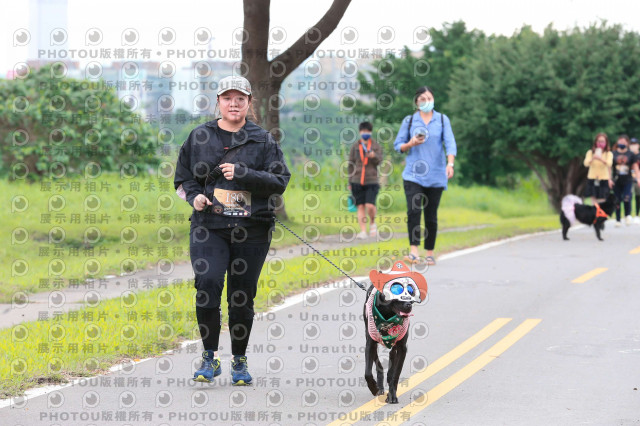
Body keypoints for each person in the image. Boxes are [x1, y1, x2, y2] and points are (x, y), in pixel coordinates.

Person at [174, 75, 291, 385]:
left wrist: (245, 173)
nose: (234, 104)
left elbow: (280, 181)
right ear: (218, 102)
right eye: (228, 98)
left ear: (249, 103)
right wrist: (194, 197)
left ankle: (239, 360)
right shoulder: (199, 137)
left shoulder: (263, 139)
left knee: (241, 296)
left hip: (251, 229)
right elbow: (181, 180)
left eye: (240, 99)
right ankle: (209, 358)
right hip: (208, 227)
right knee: (207, 285)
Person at [394, 86, 457, 266]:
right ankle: (413, 251)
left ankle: (429, 252)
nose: (426, 101)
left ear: (434, 100)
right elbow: (398, 145)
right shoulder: (409, 120)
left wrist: (450, 164)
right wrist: (411, 143)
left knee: (430, 215)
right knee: (414, 211)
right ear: (416, 102)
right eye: (422, 99)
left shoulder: (443, 120)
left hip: (436, 175)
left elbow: (450, 143)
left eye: (429, 98)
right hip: (413, 174)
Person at [347, 121, 383, 239]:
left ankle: (372, 223)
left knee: (370, 205)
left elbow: (380, 161)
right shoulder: (355, 146)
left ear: (370, 132)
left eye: (367, 131)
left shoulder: (375, 145)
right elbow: (350, 164)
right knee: (360, 206)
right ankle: (363, 231)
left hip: (371, 180)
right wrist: (350, 181)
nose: (365, 133)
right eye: (363, 131)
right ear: (360, 132)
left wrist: (374, 156)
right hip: (356, 180)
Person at [611, 135, 640, 226]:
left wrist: (638, 178)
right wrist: (609, 178)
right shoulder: (613, 154)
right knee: (617, 199)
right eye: (620, 142)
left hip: (628, 179)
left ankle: (627, 215)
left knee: (627, 197)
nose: (622, 144)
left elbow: (635, 167)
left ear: (627, 143)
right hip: (616, 179)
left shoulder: (631, 154)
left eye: (624, 142)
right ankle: (618, 219)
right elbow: (609, 167)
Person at [583, 133, 613, 205]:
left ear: (606, 143)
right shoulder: (590, 152)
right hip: (592, 178)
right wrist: (593, 158)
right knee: (593, 198)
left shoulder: (608, 153)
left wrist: (601, 159)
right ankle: (594, 214)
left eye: (602, 141)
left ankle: (601, 214)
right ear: (596, 142)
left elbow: (609, 164)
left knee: (602, 198)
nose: (600, 143)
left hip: (603, 178)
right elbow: (586, 163)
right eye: (599, 141)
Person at [630, 137, 640, 224]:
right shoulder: (628, 155)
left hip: (638, 179)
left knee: (638, 197)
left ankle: (637, 215)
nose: (633, 146)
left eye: (634, 144)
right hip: (628, 178)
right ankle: (628, 214)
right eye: (631, 144)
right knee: (628, 196)